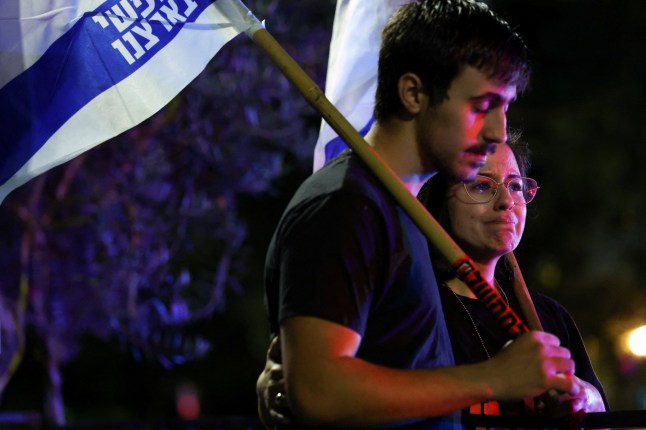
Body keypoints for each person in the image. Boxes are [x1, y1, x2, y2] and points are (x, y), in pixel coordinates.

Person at [263, 1, 577, 428]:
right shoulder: (343, 205)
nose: (498, 132)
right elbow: (319, 391)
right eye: (482, 105)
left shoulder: (400, 213)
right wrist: (492, 378)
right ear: (413, 93)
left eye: (504, 107)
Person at [257, 138, 608, 428]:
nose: (506, 202)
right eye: (482, 186)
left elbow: (601, 413)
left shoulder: (549, 316)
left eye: (515, 186)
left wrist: (584, 398)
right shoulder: (410, 306)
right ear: (438, 199)